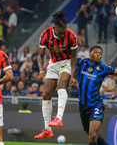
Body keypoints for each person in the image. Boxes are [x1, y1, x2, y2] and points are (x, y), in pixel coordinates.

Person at [34, 11, 78, 139]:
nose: (63, 34)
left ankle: (59, 118)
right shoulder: (45, 35)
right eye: (60, 32)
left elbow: (74, 57)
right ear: (54, 28)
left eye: (65, 31)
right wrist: (42, 69)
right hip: (53, 63)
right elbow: (40, 56)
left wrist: (73, 75)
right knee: (46, 94)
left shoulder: (72, 36)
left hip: (66, 61)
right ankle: (47, 129)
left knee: (62, 85)